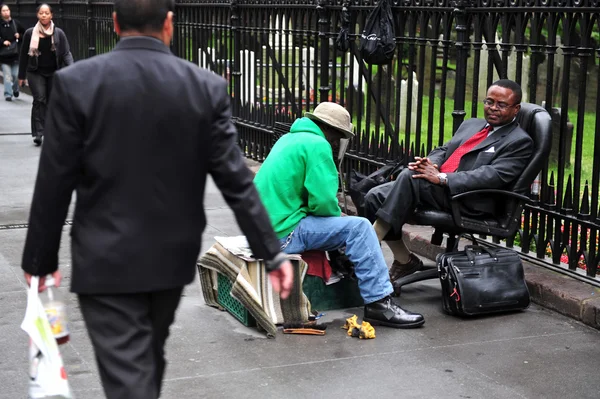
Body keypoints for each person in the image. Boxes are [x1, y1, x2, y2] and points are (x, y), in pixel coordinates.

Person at [21, 0, 293, 397]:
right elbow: (237, 182)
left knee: (132, 373)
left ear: (114, 23)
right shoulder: (205, 87)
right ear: (169, 24)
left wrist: (39, 263)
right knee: (146, 362)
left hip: (104, 260)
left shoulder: (77, 83)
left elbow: (53, 184)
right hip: (170, 259)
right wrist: (272, 252)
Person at [254, 101, 425, 330]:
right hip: (281, 234)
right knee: (360, 227)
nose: (337, 143)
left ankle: (371, 288)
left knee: (346, 225)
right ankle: (379, 303)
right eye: (338, 137)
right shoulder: (317, 145)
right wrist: (339, 224)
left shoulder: (289, 139)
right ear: (331, 131)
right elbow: (323, 203)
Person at [365, 79, 533, 282]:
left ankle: (364, 252)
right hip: (438, 188)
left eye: (502, 105)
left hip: (468, 199)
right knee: (375, 196)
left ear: (516, 109)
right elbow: (444, 150)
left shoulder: (519, 141)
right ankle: (404, 260)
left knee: (410, 177)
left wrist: (443, 178)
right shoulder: (472, 124)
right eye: (489, 102)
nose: (493, 108)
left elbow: (493, 176)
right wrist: (432, 164)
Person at [18, 3, 73, 146]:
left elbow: (66, 53)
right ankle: (38, 133)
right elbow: (24, 55)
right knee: (40, 99)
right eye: (41, 13)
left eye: (46, 13)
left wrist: (73, 68)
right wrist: (21, 76)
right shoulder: (30, 33)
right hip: (35, 72)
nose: (44, 15)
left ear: (51, 15)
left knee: (51, 101)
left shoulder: (58, 33)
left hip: (53, 72)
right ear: (37, 15)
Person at [0, 4, 24, 101]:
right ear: (0, 13)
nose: (6, 12)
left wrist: (19, 36)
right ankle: (8, 94)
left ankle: (15, 89)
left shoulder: (16, 23)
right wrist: (2, 42)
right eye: (3, 10)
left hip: (15, 55)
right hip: (4, 56)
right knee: (7, 76)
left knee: (16, 75)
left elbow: (25, 33)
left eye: (7, 10)